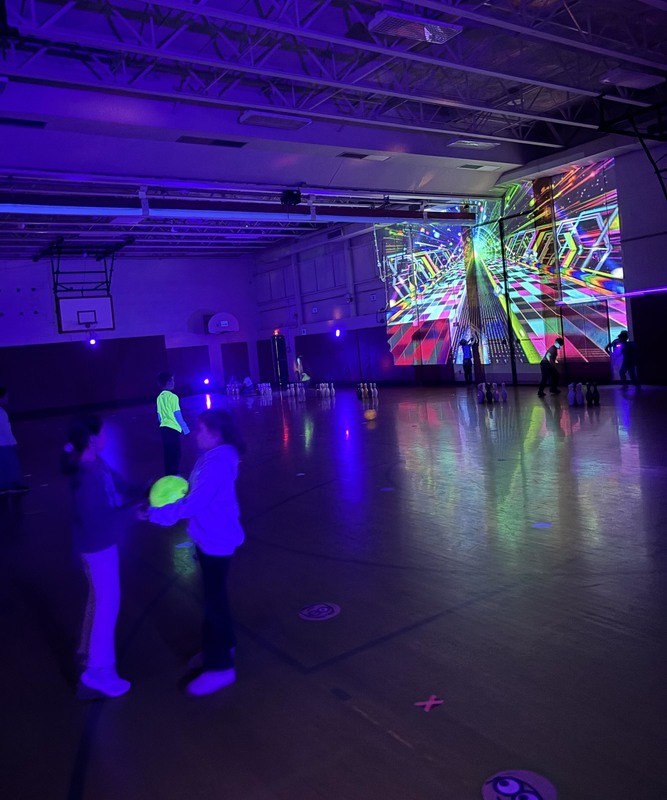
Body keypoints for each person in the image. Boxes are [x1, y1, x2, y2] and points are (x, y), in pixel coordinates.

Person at [147, 409, 245, 697]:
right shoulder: (217, 457)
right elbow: (197, 496)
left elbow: (194, 504)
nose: (196, 433)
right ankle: (223, 645)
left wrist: (157, 514)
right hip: (213, 537)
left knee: (213, 603)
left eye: (201, 429)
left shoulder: (215, 463)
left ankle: (220, 668)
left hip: (216, 540)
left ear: (216, 434)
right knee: (216, 598)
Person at [63, 414, 140, 699]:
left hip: (99, 543)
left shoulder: (95, 463)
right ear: (92, 440)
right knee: (108, 606)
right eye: (104, 433)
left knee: (100, 600)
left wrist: (148, 490)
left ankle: (86, 654)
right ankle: (98, 672)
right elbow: (98, 520)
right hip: (97, 546)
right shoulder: (86, 475)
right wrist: (135, 512)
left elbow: (119, 485)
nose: (107, 437)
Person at [156, 372, 190, 476]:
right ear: (168, 382)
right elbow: (177, 415)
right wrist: (185, 428)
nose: (173, 382)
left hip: (163, 428)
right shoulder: (173, 397)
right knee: (176, 452)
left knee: (167, 452)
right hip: (173, 429)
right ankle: (175, 474)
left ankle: (169, 474)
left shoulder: (159, 397)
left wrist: (162, 423)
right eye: (172, 380)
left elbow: (159, 416)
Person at [0, 387, 24, 492]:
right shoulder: (1, 413)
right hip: (5, 445)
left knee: (3, 466)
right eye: (6, 396)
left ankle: (4, 486)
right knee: (12, 465)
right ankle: (13, 486)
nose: (7, 398)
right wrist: (14, 443)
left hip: (2, 445)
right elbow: (6, 431)